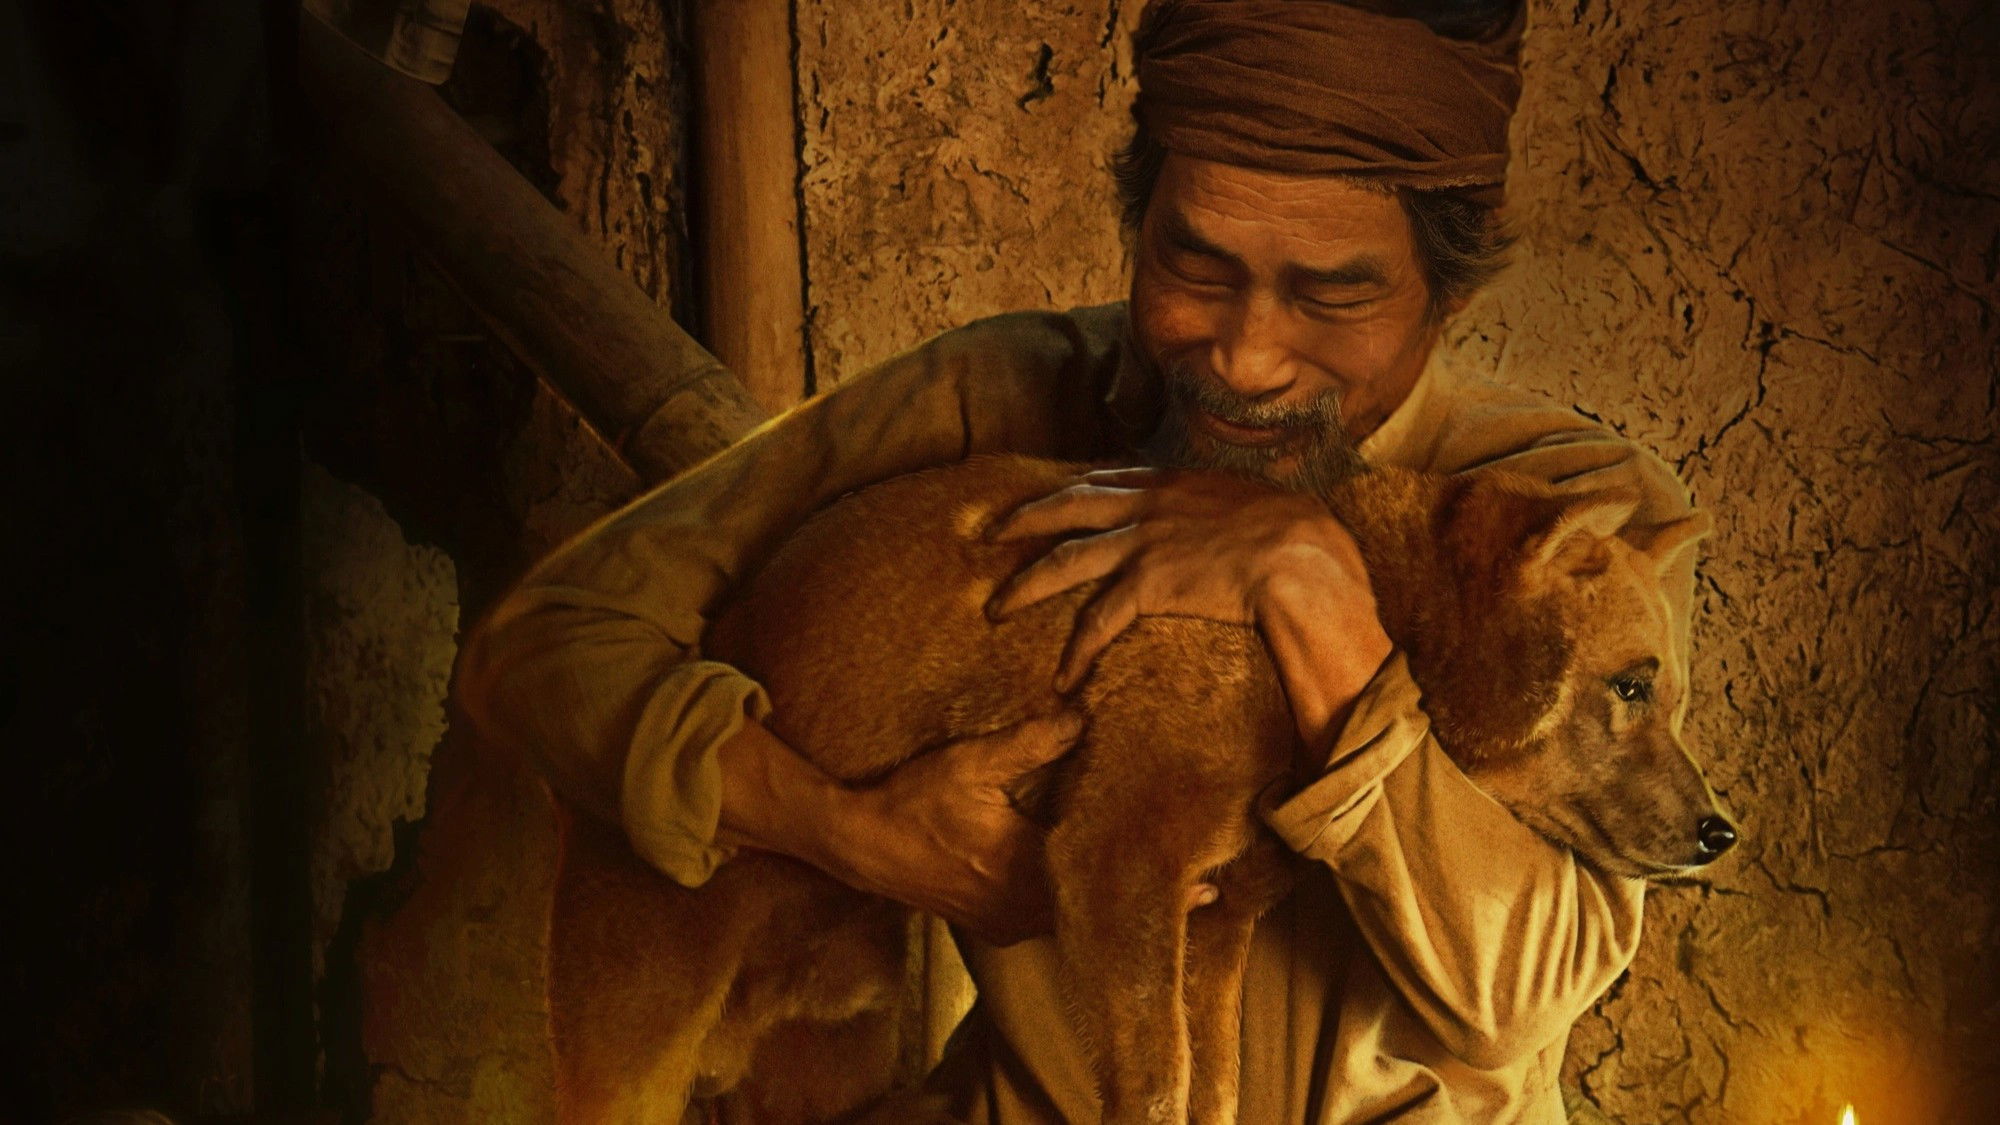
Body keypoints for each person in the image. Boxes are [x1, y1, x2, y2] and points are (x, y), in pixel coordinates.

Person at [456, 0, 1703, 1120]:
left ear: (1445, 299)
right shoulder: (999, 398)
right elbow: (546, 646)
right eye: (1193, 266)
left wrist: (1310, 584)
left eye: (1331, 297)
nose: (1246, 360)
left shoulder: (1572, 521)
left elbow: (1518, 992)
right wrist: (846, 830)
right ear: (1135, 224)